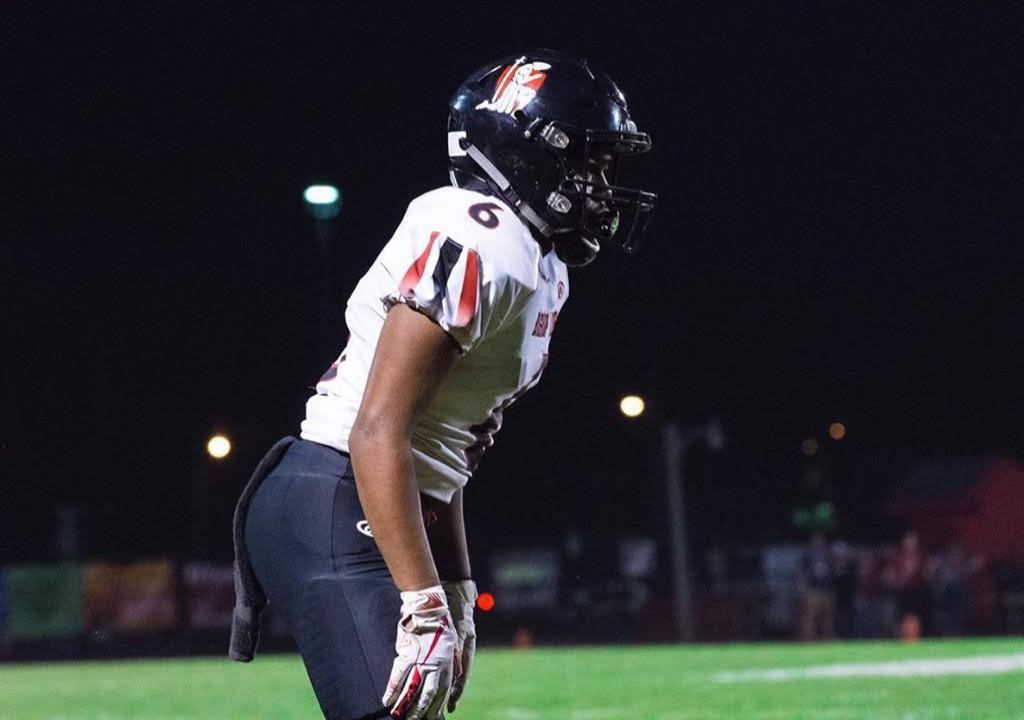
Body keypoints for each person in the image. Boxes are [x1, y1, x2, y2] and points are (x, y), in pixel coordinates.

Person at [229, 50, 656, 720]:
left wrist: (455, 589)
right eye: (588, 160)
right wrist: (424, 605)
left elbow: (444, 454)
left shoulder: (543, 270)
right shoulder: (477, 235)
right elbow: (379, 428)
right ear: (526, 152)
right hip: (333, 497)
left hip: (375, 503)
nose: (601, 185)